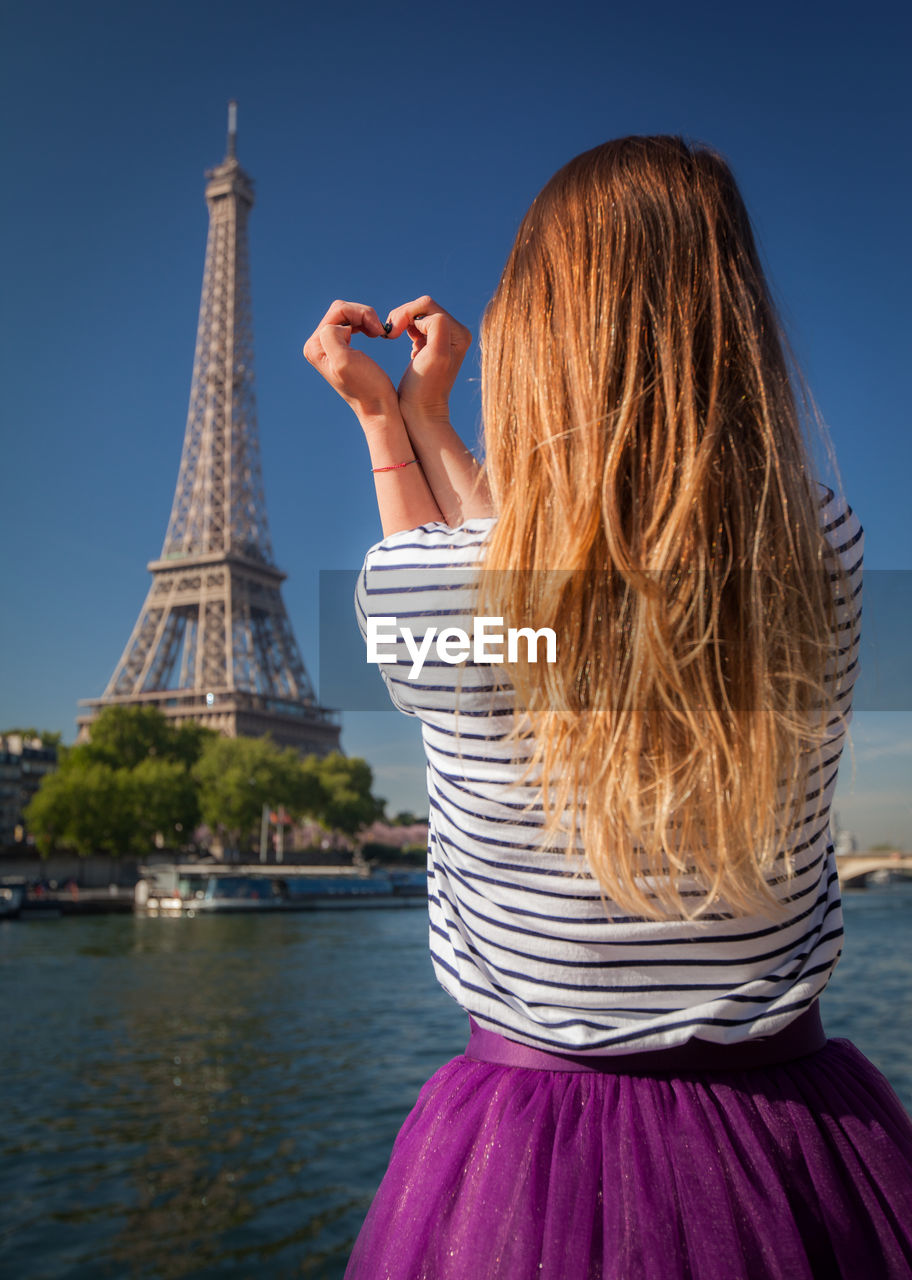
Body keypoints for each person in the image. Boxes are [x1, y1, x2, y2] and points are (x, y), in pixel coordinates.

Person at [304, 136, 912, 1279]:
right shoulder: (825, 550)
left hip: (535, 1153)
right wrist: (436, 427)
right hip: (802, 1131)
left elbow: (527, 615)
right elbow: (588, 606)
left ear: (542, 333)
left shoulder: (428, 593)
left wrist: (393, 420)